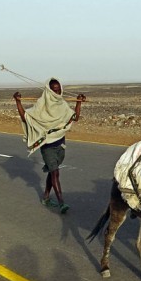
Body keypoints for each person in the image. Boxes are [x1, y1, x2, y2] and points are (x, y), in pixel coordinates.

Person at [14, 78, 86, 214]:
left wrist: (78, 102)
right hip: (47, 146)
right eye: (54, 90)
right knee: (55, 172)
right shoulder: (41, 105)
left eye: (58, 90)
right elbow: (25, 117)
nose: (57, 92)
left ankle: (46, 197)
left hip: (61, 144)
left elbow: (75, 117)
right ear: (48, 90)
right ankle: (61, 202)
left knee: (53, 171)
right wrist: (18, 102)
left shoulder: (62, 104)